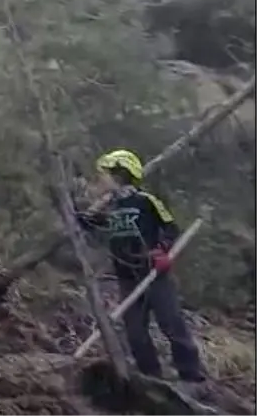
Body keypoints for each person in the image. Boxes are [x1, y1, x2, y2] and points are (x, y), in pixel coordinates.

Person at [78, 149, 206, 384]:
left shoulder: (146, 201)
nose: (101, 179)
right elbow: (96, 226)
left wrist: (162, 250)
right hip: (126, 276)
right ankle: (151, 377)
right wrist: (82, 219)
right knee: (135, 331)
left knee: (171, 322)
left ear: (120, 174)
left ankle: (191, 374)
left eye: (105, 174)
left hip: (154, 274)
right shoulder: (109, 206)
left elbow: (170, 227)